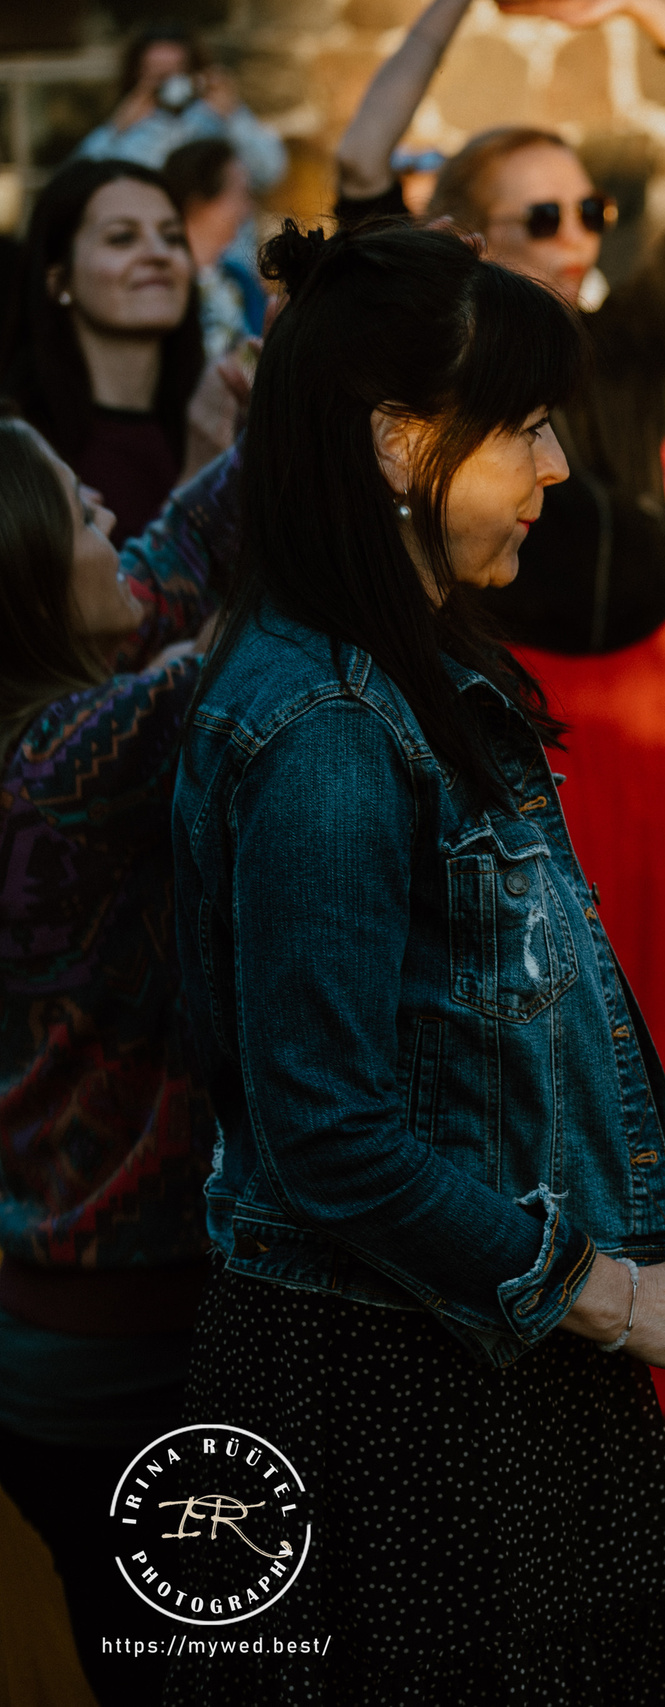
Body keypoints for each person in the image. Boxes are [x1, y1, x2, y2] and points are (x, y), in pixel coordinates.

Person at [165, 218, 665, 1702]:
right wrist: (620, 1296)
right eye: (522, 431)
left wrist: (606, 1125)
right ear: (396, 445)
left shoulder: (416, 671)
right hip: (399, 1400)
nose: (559, 468)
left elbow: (438, 1022)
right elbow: (329, 1133)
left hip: (486, 1360)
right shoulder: (323, 733)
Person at [334, 0, 665, 1560]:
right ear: (466, 235)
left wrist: (664, 22)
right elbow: (352, 165)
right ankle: (567, 1384)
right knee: (546, 1055)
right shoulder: (440, 343)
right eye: (545, 216)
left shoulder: (629, 337)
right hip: (515, 718)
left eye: (592, 208)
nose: (584, 236)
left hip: (654, 707)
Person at [0, 433, 236, 1707]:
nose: (122, 546)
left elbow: (178, 556)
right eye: (92, 522)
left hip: (60, 1339)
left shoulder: (43, 742)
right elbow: (238, 638)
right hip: (130, 1356)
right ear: (31, 574)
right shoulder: (68, 766)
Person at [4, 161, 213, 545]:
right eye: (122, 238)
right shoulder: (22, 451)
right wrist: (204, 480)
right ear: (59, 280)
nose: (158, 254)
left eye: (172, 237)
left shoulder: (213, 419)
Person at [73, 27, 285, 202]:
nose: (169, 80)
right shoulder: (126, 128)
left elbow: (270, 172)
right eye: (157, 72)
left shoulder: (221, 118)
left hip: (226, 251)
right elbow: (78, 182)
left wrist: (234, 115)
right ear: (137, 74)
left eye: (178, 69)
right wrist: (116, 128)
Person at [162, 136, 265, 362]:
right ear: (198, 203)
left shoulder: (240, 281)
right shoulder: (161, 289)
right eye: (240, 194)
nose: (248, 207)